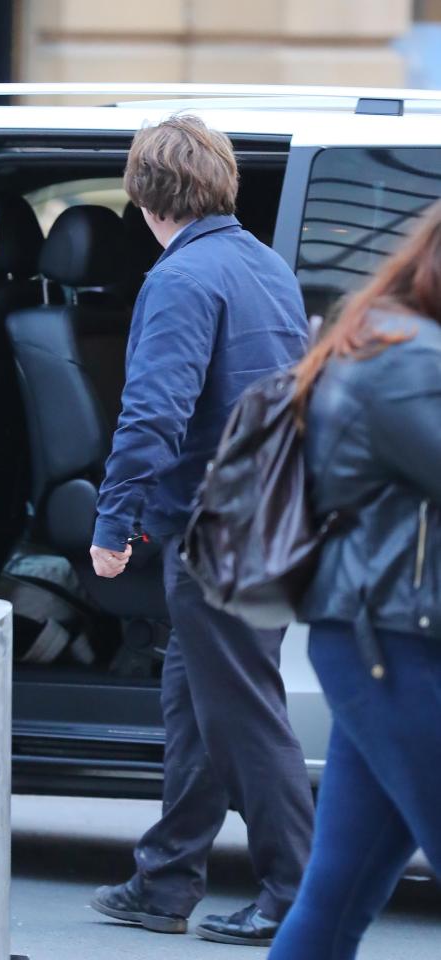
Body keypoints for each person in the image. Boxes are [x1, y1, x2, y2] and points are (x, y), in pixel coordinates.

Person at [88, 115, 314, 946]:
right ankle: (164, 881)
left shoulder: (179, 280)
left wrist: (114, 522)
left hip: (220, 529)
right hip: (268, 514)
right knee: (194, 706)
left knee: (245, 716)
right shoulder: (264, 266)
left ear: (142, 193)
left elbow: (154, 410)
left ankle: (295, 894)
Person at [268, 202, 441, 959]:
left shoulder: (396, 341)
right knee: (336, 889)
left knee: (336, 892)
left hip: (386, 636)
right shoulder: (407, 357)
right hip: (394, 641)